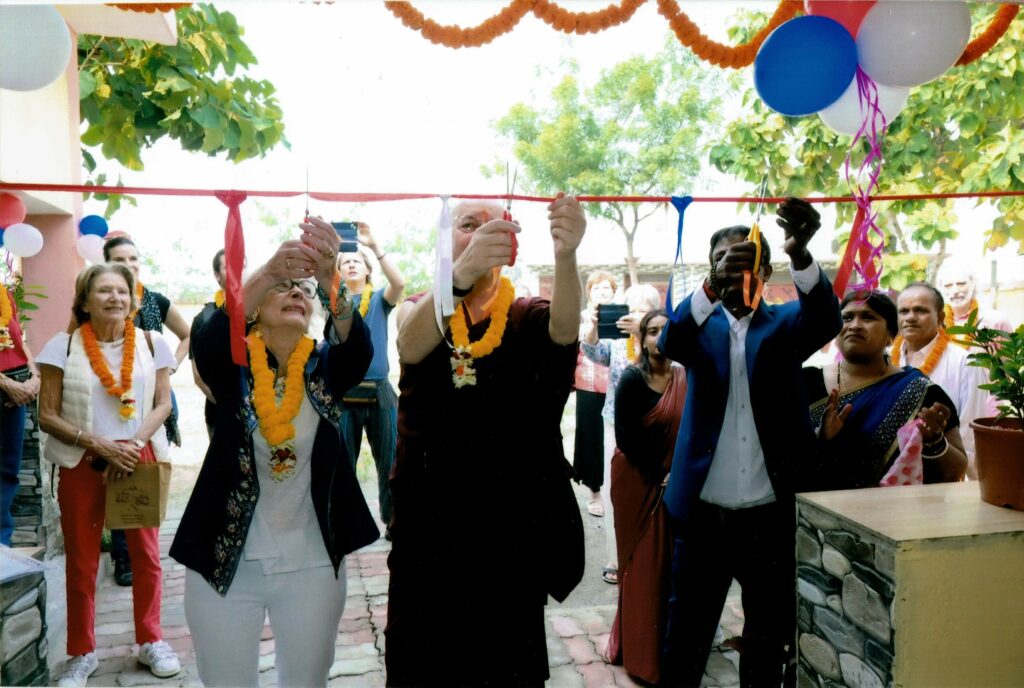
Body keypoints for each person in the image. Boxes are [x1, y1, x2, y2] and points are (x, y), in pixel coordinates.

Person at [385, 195, 586, 687]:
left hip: (508, 530)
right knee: (422, 666)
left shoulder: (523, 314)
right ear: (443, 240)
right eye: (466, 224)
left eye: (492, 225)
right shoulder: (419, 310)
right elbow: (411, 346)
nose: (478, 233)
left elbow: (564, 330)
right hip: (429, 531)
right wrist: (457, 276)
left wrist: (566, 254)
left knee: (507, 666)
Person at [169, 218, 379, 687]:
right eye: (282, 288)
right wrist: (267, 269)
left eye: (303, 291)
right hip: (225, 560)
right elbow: (207, 339)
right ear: (256, 310)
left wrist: (328, 278)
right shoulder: (234, 366)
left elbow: (359, 348)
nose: (296, 294)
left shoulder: (324, 368)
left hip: (312, 561)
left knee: (306, 681)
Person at [658, 198, 841, 687]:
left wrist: (801, 254)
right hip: (702, 516)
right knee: (685, 639)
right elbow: (669, 343)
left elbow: (826, 320)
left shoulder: (784, 325)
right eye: (725, 257)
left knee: (767, 639)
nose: (737, 265)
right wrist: (710, 286)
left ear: (765, 268)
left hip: (770, 515)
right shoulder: (698, 327)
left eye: (747, 257)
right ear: (712, 266)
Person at [37, 263, 179, 687]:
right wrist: (98, 444)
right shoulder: (60, 347)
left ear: (133, 300)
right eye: (104, 291)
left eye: (122, 291)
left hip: (137, 460)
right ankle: (82, 653)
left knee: (146, 557)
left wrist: (134, 444)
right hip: (82, 463)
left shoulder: (153, 343)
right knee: (81, 560)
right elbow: (47, 414)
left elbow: (162, 405)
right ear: (84, 301)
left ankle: (151, 640)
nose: (115, 297)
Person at [803, 291, 967, 490]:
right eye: (846, 318)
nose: (854, 325)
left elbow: (956, 470)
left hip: (889, 516)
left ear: (891, 335)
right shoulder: (805, 383)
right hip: (814, 514)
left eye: (868, 317)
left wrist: (934, 441)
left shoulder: (919, 391)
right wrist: (823, 439)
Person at [103, 234, 192, 586]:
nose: (129, 265)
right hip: (114, 397)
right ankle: (124, 557)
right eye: (120, 259)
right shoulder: (100, 301)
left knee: (150, 473)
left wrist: (172, 366)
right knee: (122, 471)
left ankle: (145, 552)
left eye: (134, 258)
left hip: (156, 399)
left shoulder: (154, 300)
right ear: (107, 263)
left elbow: (188, 334)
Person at [604, 309, 683, 686]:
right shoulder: (633, 379)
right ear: (643, 338)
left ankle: (658, 650)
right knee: (640, 568)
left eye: (665, 331)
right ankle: (640, 659)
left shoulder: (686, 378)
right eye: (651, 332)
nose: (658, 338)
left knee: (666, 567)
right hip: (637, 480)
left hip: (673, 481)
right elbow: (626, 438)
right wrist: (660, 474)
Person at [581, 282, 660, 585]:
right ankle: (616, 556)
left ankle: (649, 554)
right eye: (632, 308)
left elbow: (655, 371)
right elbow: (592, 351)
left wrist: (642, 335)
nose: (636, 314)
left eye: (643, 308)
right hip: (616, 424)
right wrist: (592, 327)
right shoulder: (616, 340)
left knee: (652, 491)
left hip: (653, 425)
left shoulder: (660, 339)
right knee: (619, 492)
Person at [337, 222, 405, 537]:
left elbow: (399, 283)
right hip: (343, 391)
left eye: (356, 261)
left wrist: (375, 247)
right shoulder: (332, 302)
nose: (351, 264)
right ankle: (344, 524)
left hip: (379, 391)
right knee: (342, 463)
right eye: (344, 262)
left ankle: (394, 520)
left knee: (390, 459)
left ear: (367, 269)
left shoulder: (379, 299)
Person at [893, 282, 991, 479]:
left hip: (944, 474)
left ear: (940, 317)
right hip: (892, 476)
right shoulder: (885, 361)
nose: (910, 317)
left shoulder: (965, 364)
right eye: (903, 311)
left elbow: (969, 436)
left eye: (920, 310)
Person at [0, 280, 41, 546]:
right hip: (6, 385)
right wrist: (5, 383)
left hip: (15, 392)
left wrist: (34, 374)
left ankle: (3, 548)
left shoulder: (4, 292)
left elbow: (17, 339)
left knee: (6, 471)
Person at [573, 270, 615, 516]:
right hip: (588, 383)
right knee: (591, 437)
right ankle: (594, 491)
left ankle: (613, 486)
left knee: (613, 437)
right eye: (597, 288)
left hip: (616, 384)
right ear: (589, 292)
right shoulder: (582, 317)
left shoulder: (622, 316)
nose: (602, 292)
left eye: (607, 289)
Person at [189, 248, 227, 439]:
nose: (238, 270)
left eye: (242, 265)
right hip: (220, 412)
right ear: (217, 275)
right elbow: (198, 376)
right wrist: (229, 404)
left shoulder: (263, 311)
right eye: (230, 267)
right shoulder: (204, 319)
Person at [937, 258, 1013, 347]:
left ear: (973, 284)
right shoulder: (935, 324)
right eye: (948, 286)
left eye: (961, 284)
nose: (955, 291)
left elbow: (1010, 360)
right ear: (940, 289)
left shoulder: (997, 321)